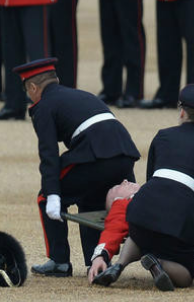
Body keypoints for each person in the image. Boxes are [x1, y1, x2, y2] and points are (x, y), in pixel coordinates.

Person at [14, 57, 140, 277]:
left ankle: (59, 261)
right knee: (90, 200)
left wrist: (53, 194)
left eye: (28, 91)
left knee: (45, 197)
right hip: (124, 154)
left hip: (97, 156)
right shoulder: (80, 95)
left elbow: (49, 154)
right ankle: (96, 259)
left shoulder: (44, 106)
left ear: (33, 87)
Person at [100, 84, 194, 289]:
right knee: (186, 276)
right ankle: (158, 263)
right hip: (177, 215)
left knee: (139, 235)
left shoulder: (162, 135)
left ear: (181, 111)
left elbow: (150, 177)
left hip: (143, 207)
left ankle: (119, 265)